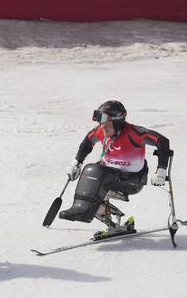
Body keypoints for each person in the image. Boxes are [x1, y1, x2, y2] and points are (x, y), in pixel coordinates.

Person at [58, 101, 172, 238]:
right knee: (89, 171)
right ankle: (83, 210)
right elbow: (87, 142)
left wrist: (161, 170)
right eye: (101, 124)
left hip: (132, 180)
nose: (102, 127)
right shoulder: (101, 131)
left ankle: (84, 210)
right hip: (108, 175)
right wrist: (76, 163)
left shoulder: (134, 133)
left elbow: (162, 141)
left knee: (96, 172)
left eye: (107, 124)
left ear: (118, 123)